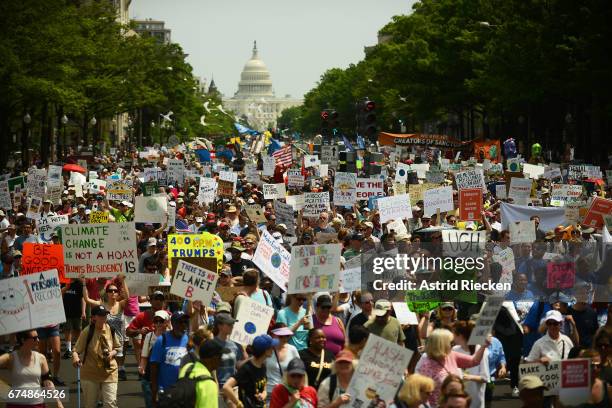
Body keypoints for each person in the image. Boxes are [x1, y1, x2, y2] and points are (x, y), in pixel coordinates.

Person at [416, 328, 490, 407]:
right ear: (441, 344)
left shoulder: (451, 355)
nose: (453, 344)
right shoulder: (427, 365)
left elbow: (474, 361)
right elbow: (422, 393)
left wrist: (483, 346)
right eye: (451, 343)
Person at [72, 305, 122, 408]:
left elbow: (117, 348)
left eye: (105, 315)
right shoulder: (87, 331)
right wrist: (76, 358)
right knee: (90, 405)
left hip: (109, 372)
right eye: (101, 315)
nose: (104, 317)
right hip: (90, 374)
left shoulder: (111, 330)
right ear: (94, 317)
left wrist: (111, 354)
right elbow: (76, 350)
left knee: (110, 404)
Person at [0, 330, 64, 408]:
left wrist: (58, 401)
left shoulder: (41, 358)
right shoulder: (10, 357)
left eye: (38, 337)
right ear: (23, 340)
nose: (38, 340)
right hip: (15, 404)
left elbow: (48, 382)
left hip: (37, 404)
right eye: (34, 338)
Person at [83, 275, 129, 381]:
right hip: (104, 341)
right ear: (107, 293)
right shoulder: (102, 305)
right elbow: (87, 299)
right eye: (110, 291)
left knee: (115, 368)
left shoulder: (120, 304)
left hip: (118, 341)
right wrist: (84, 283)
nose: (113, 293)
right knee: (103, 366)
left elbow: (127, 297)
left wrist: (122, 281)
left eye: (115, 291)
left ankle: (110, 390)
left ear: (118, 293)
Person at [223, 334, 278, 408]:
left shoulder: (263, 366)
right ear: (265, 350)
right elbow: (226, 386)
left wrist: (263, 394)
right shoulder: (247, 368)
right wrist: (238, 403)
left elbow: (263, 388)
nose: (273, 349)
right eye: (271, 347)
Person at [150, 311, 190, 406]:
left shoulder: (189, 340)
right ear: (173, 324)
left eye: (185, 322)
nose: (183, 325)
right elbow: (154, 367)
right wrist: (154, 392)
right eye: (180, 322)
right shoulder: (162, 340)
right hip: (166, 392)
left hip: (184, 393)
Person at [178, 339, 226, 408]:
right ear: (213, 359)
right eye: (220, 357)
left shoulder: (187, 368)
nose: (221, 360)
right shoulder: (209, 384)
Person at [451, 321, 489, 408]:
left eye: (453, 333)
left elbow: (485, 377)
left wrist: (469, 377)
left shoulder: (480, 350)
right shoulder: (454, 350)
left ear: (460, 335)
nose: (451, 337)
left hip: (475, 401)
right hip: (459, 400)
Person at [139, 310, 170, 408]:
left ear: (167, 322)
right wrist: (142, 368)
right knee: (152, 404)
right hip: (151, 375)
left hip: (166, 376)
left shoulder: (171, 337)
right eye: (155, 321)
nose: (158, 324)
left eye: (161, 321)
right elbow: (144, 356)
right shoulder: (149, 336)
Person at [265, 325, 300, 403]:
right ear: (272, 335)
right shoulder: (266, 350)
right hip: (269, 393)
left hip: (287, 393)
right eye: (281, 336)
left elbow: (299, 371)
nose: (285, 339)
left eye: (287, 336)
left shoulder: (292, 349)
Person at [213, 311, 246, 387]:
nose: (232, 326)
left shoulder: (235, 344)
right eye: (229, 324)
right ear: (219, 326)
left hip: (232, 387)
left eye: (232, 324)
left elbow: (237, 365)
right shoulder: (212, 344)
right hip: (218, 388)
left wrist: (251, 358)